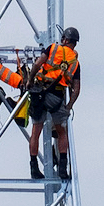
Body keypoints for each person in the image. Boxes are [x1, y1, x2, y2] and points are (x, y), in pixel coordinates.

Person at [26, 27, 80, 180]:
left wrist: (30, 81)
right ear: (74, 43)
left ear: (64, 39)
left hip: (39, 94)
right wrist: (69, 106)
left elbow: (37, 64)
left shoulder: (53, 48)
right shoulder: (75, 62)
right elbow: (76, 89)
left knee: (36, 131)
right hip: (57, 98)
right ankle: (62, 169)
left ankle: (34, 168)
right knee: (61, 133)